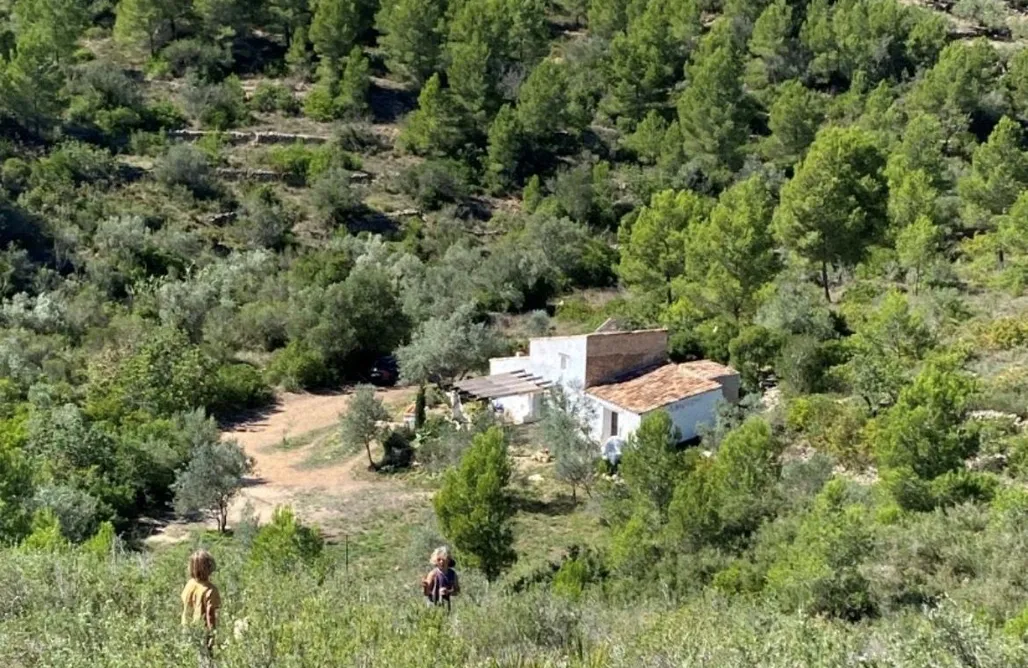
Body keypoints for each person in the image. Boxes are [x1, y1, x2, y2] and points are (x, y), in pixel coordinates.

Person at [181, 549, 221, 662]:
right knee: (205, 661)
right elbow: (210, 614)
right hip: (202, 631)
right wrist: (212, 635)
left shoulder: (190, 584)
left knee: (189, 660)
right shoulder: (210, 590)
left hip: (187, 627)